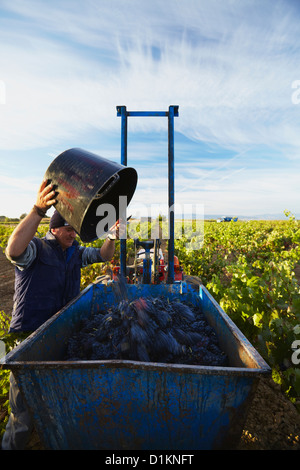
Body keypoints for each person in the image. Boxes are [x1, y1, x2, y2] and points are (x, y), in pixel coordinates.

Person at [1, 179, 119, 450]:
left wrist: (111, 237)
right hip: (29, 338)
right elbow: (13, 251)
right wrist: (37, 210)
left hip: (62, 335)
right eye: (68, 229)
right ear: (54, 228)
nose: (73, 234)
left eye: (75, 231)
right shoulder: (36, 250)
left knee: (57, 402)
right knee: (22, 413)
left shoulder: (75, 253)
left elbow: (103, 255)